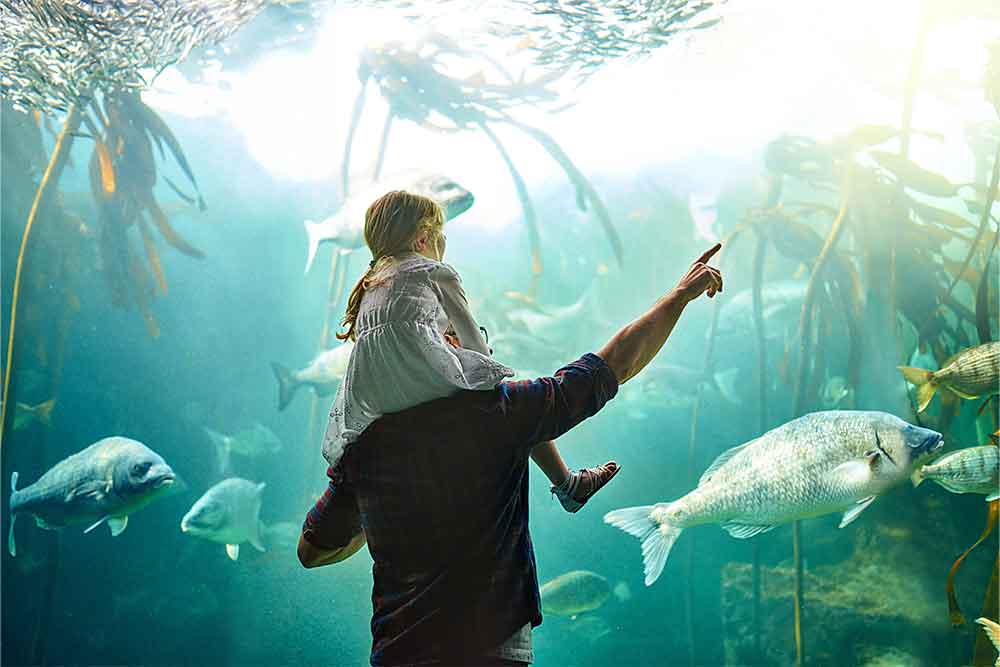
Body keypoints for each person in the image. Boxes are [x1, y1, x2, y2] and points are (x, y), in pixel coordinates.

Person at [298, 236, 724, 667]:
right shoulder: (499, 411)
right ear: (439, 343)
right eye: (461, 333)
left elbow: (311, 551)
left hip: (399, 653)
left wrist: (381, 515)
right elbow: (614, 365)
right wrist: (678, 296)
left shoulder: (367, 447)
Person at [321, 190, 619, 513]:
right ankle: (567, 485)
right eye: (440, 236)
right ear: (423, 239)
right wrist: (482, 363)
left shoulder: (370, 284)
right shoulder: (435, 272)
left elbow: (401, 339)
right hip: (420, 385)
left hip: (376, 398)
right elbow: (473, 342)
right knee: (515, 404)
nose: (442, 244)